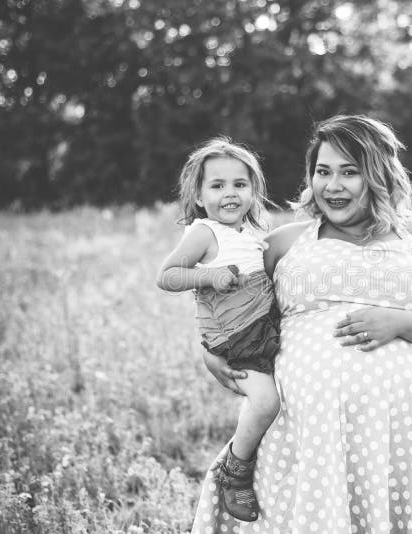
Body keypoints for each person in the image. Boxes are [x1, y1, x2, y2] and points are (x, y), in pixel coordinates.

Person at [192, 115, 412, 533]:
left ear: (378, 175)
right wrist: (207, 352)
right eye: (322, 172)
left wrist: (396, 322)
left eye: (349, 172)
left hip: (388, 433)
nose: (332, 185)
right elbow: (221, 301)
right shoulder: (285, 242)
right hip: (301, 431)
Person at [156, 137, 281, 522]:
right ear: (198, 194)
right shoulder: (205, 232)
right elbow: (167, 276)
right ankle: (235, 471)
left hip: (263, 329)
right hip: (235, 337)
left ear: (253, 190)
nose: (230, 194)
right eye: (217, 185)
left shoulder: (253, 233)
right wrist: (209, 276)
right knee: (265, 402)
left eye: (239, 185)